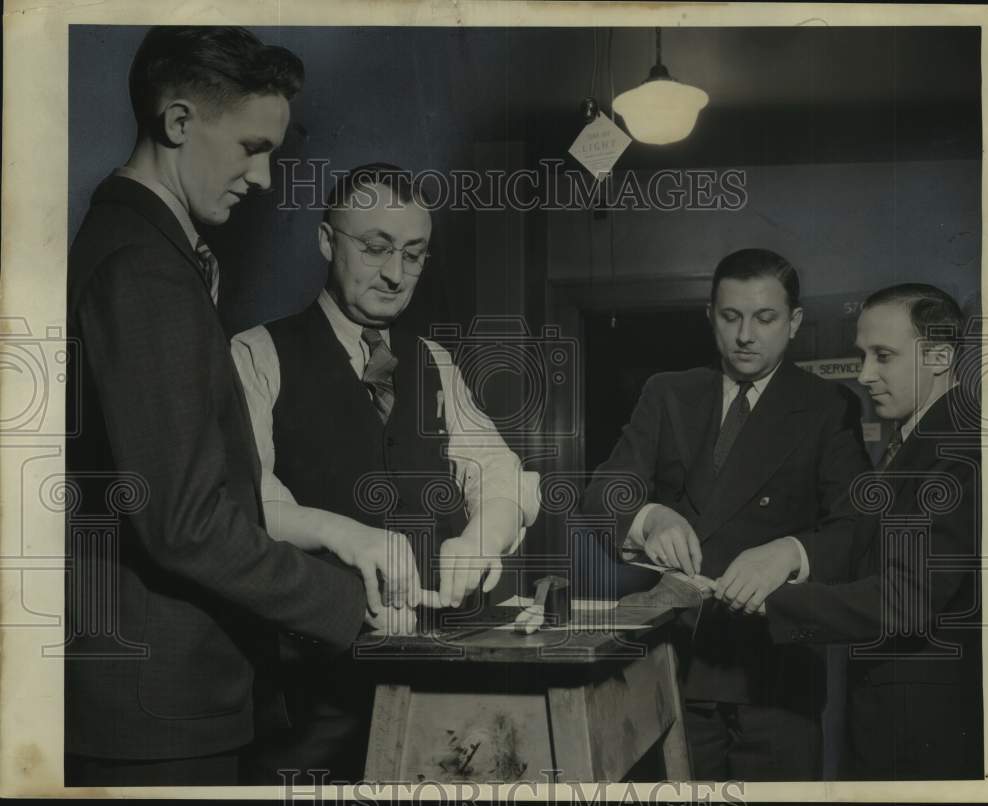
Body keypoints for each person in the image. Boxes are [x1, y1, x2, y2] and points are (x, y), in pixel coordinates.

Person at [65, 27, 368, 786]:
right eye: (250, 147)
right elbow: (183, 522)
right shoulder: (144, 271)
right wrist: (342, 601)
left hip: (157, 694)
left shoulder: (148, 250)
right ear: (176, 123)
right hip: (156, 709)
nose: (264, 178)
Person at [231, 163, 539, 781]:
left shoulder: (432, 361)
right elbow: (246, 499)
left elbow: (498, 469)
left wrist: (483, 536)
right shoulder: (255, 353)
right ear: (326, 241)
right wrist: (342, 533)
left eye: (414, 254)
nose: (395, 273)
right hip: (310, 692)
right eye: (374, 247)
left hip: (436, 683)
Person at [581, 248, 871, 780]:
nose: (746, 335)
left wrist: (789, 552)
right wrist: (650, 518)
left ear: (794, 323)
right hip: (675, 665)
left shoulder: (830, 405)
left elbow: (857, 527)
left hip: (778, 672)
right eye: (731, 316)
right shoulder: (667, 392)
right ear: (709, 315)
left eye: (765, 318)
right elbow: (606, 490)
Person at [720, 283, 983, 780]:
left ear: (940, 356)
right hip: (897, 713)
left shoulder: (956, 452)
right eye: (863, 356)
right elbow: (870, 550)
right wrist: (790, 553)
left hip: (924, 730)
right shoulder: (918, 442)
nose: (864, 376)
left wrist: (776, 599)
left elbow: (907, 598)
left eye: (883, 357)